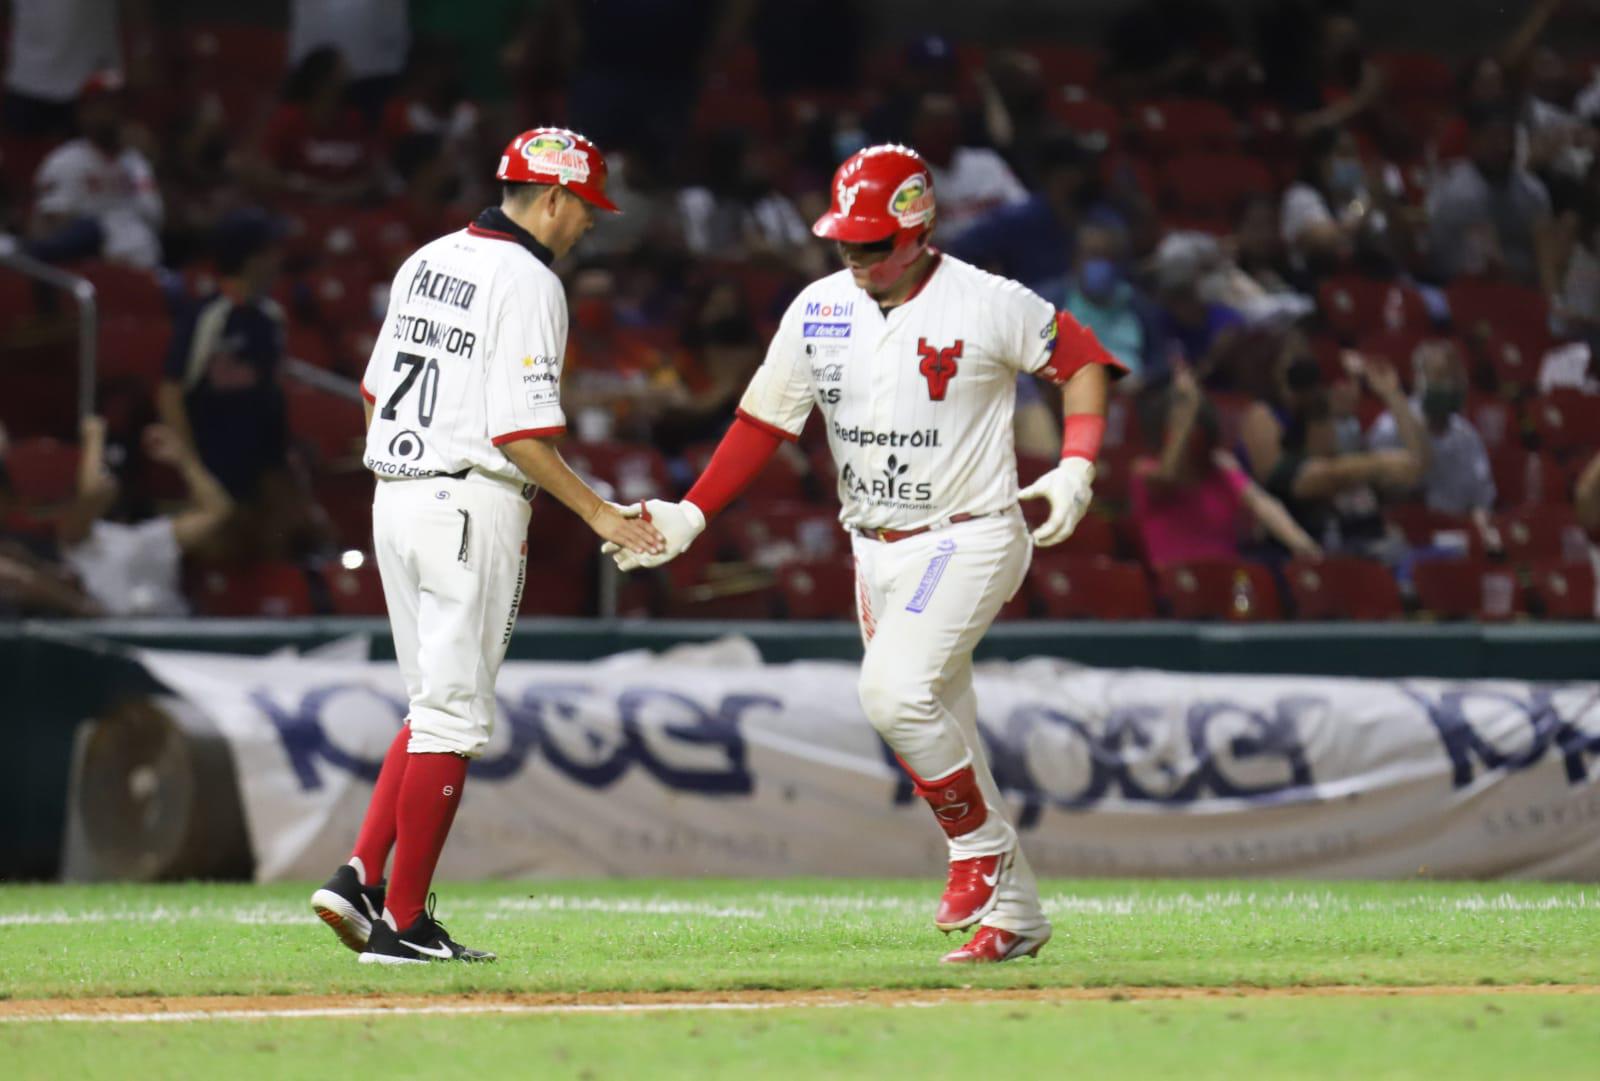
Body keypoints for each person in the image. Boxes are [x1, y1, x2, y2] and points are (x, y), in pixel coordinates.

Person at [607, 144, 1127, 964]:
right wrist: (693, 513)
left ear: (918, 229)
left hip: (972, 531)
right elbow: (762, 423)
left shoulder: (986, 300)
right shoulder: (818, 307)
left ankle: (976, 847)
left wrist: (1075, 464)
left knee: (891, 693)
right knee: (943, 722)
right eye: (845, 242)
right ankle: (1017, 912)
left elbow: (1083, 358)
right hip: (875, 548)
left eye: (872, 243)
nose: (855, 258)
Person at [310, 127, 664, 965]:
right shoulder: (530, 280)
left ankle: (360, 876)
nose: (587, 228)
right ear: (552, 199)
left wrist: (410, 475)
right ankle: (403, 924)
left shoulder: (426, 258)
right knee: (454, 716)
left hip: (394, 494)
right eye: (585, 211)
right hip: (470, 502)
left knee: (430, 702)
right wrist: (600, 513)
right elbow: (521, 432)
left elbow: (371, 393)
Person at [1132, 366, 1321, 568]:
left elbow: (1263, 505)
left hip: (1228, 584)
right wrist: (1185, 409)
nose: (1192, 443)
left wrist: (1305, 547)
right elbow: (1169, 474)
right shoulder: (1145, 471)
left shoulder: (1221, 468)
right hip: (1175, 587)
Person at [57, 416, 232, 617]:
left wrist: (184, 460)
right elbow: (94, 493)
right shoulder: (76, 538)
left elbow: (218, 511)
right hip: (109, 636)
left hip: (167, 632)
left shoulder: (151, 537)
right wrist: (94, 440)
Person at [28, 70, 162, 268]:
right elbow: (45, 232)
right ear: (85, 112)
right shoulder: (66, 161)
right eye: (105, 104)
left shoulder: (137, 162)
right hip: (98, 271)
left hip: (148, 268)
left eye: (120, 104)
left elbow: (157, 219)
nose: (116, 111)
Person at [1367, 342, 1497, 529]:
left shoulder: (1467, 435)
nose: (1451, 386)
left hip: (1458, 534)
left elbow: (1481, 501)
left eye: (1457, 378)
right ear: (1419, 380)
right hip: (1407, 533)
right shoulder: (1391, 427)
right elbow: (1381, 491)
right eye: (1442, 377)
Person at [1426, 103, 1552, 285]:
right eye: (1493, 139)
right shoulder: (1460, 192)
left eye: (1508, 138)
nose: (1503, 146)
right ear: (1473, 141)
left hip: (1522, 289)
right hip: (1459, 288)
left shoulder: (1532, 191)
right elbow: (1489, 265)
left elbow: (1546, 251)